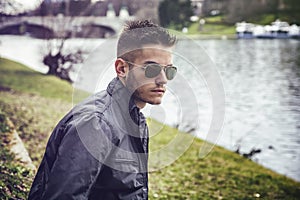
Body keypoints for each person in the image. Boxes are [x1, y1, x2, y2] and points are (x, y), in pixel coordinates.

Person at [28, 20, 177, 200]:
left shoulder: (133, 117)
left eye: (169, 70)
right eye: (152, 69)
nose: (163, 80)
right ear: (122, 68)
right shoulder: (96, 123)